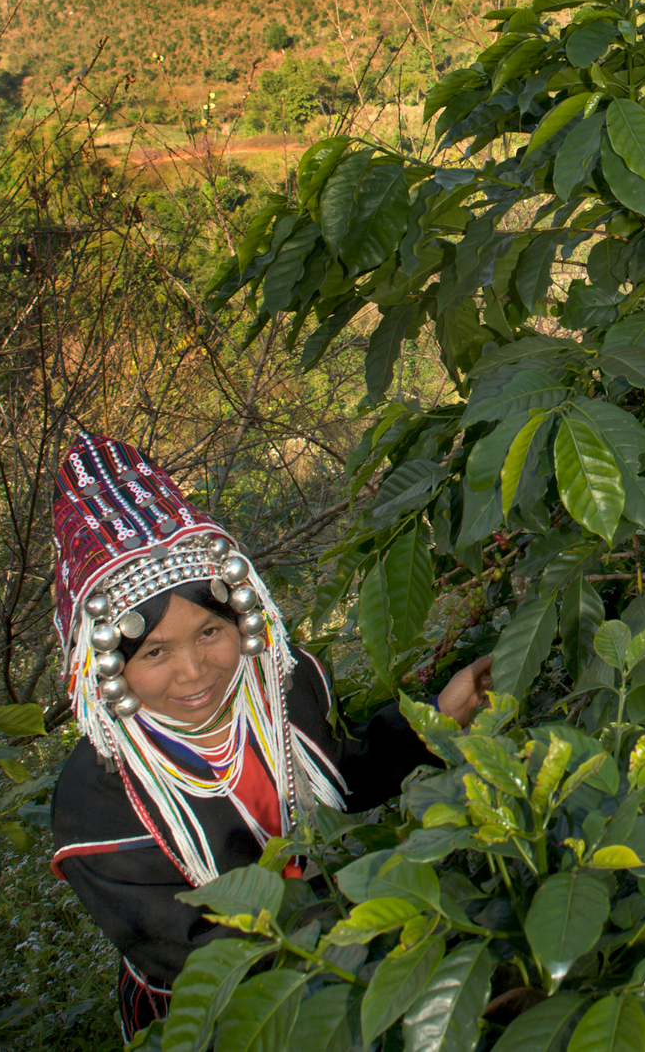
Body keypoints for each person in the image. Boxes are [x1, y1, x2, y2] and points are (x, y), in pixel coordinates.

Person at [48, 434, 490, 1040]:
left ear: (243, 618)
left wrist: (439, 714)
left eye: (209, 631)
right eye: (154, 652)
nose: (194, 670)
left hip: (339, 943)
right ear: (107, 668)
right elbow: (195, 953)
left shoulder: (281, 688)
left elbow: (340, 779)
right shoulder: (95, 802)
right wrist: (397, 963)